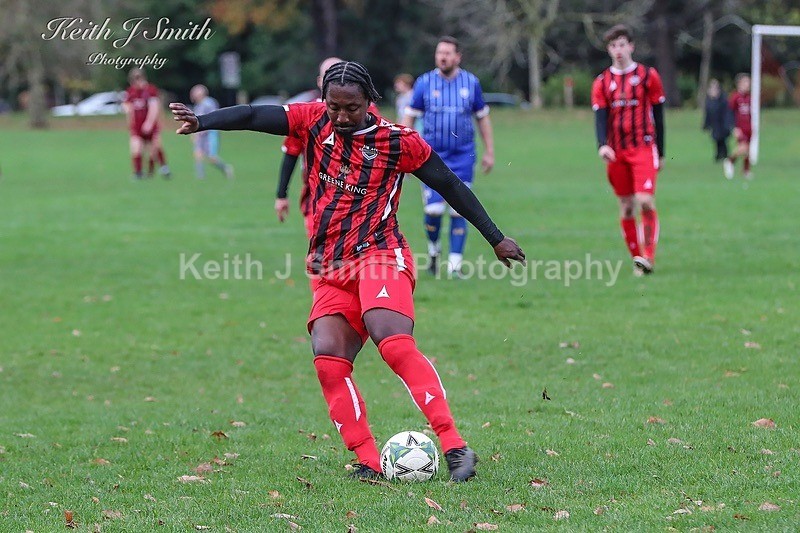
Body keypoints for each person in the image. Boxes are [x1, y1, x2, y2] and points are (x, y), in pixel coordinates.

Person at [170, 61, 525, 482]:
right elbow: (252, 115)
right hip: (328, 265)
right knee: (329, 361)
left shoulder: (397, 141)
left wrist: (494, 237)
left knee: (391, 341)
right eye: (333, 106)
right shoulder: (312, 120)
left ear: (368, 102)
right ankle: (369, 461)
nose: (340, 116)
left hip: (380, 252)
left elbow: (449, 183)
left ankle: (453, 445)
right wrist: (203, 121)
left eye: (350, 108)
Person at [402, 36, 495, 277]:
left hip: (463, 155)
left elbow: (482, 116)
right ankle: (434, 250)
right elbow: (410, 116)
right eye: (439, 53)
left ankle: (454, 265)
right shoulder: (424, 83)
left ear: (457, 57)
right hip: (432, 156)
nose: (442, 57)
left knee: (459, 208)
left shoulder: (471, 82)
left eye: (447, 53)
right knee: (433, 210)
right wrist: (403, 152)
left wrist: (489, 151)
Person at [591, 24, 666, 276]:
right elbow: (600, 117)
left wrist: (661, 152)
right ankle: (637, 259)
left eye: (622, 44)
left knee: (645, 200)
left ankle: (649, 256)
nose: (618, 50)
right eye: (613, 46)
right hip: (617, 152)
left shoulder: (648, 76)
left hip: (643, 147)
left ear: (631, 46)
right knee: (626, 207)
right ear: (609, 50)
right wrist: (602, 145)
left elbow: (659, 114)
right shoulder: (602, 82)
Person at [123, 68, 170, 179]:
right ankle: (138, 173)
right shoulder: (130, 92)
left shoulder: (150, 90)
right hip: (137, 126)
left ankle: (163, 168)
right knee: (136, 148)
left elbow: (154, 108)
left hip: (151, 126)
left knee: (154, 148)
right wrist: (129, 121)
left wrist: (149, 123)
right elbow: (128, 108)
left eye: (137, 80)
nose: (136, 83)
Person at [189, 84, 234, 180]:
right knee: (198, 154)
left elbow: (213, 118)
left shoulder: (209, 103)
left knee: (212, 157)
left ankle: (226, 168)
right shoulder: (198, 106)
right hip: (201, 134)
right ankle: (200, 177)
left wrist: (202, 131)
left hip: (210, 133)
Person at [724, 73, 752, 180]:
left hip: (749, 128)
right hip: (740, 128)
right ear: (739, 84)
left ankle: (746, 171)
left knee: (747, 151)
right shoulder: (735, 97)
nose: (748, 84)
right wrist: (733, 127)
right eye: (745, 82)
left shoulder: (749, 98)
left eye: (748, 82)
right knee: (743, 148)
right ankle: (729, 161)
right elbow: (729, 112)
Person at [703, 79, 733, 163]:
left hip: (723, 124)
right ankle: (718, 155)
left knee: (723, 140)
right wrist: (706, 125)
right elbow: (708, 114)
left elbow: (727, 112)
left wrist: (728, 123)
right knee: (716, 140)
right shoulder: (709, 101)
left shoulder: (723, 100)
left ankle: (725, 155)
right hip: (715, 125)